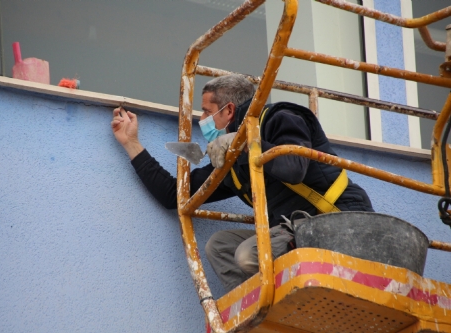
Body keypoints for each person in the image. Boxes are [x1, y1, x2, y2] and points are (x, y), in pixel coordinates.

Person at [111, 74, 374, 292]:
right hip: (295, 229)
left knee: (249, 254)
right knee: (220, 247)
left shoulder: (279, 117)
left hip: (339, 220)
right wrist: (131, 143)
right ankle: (267, 318)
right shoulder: (234, 165)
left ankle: (283, 300)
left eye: (207, 112)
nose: (202, 121)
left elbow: (294, 168)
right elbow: (174, 195)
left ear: (228, 111)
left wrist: (247, 144)